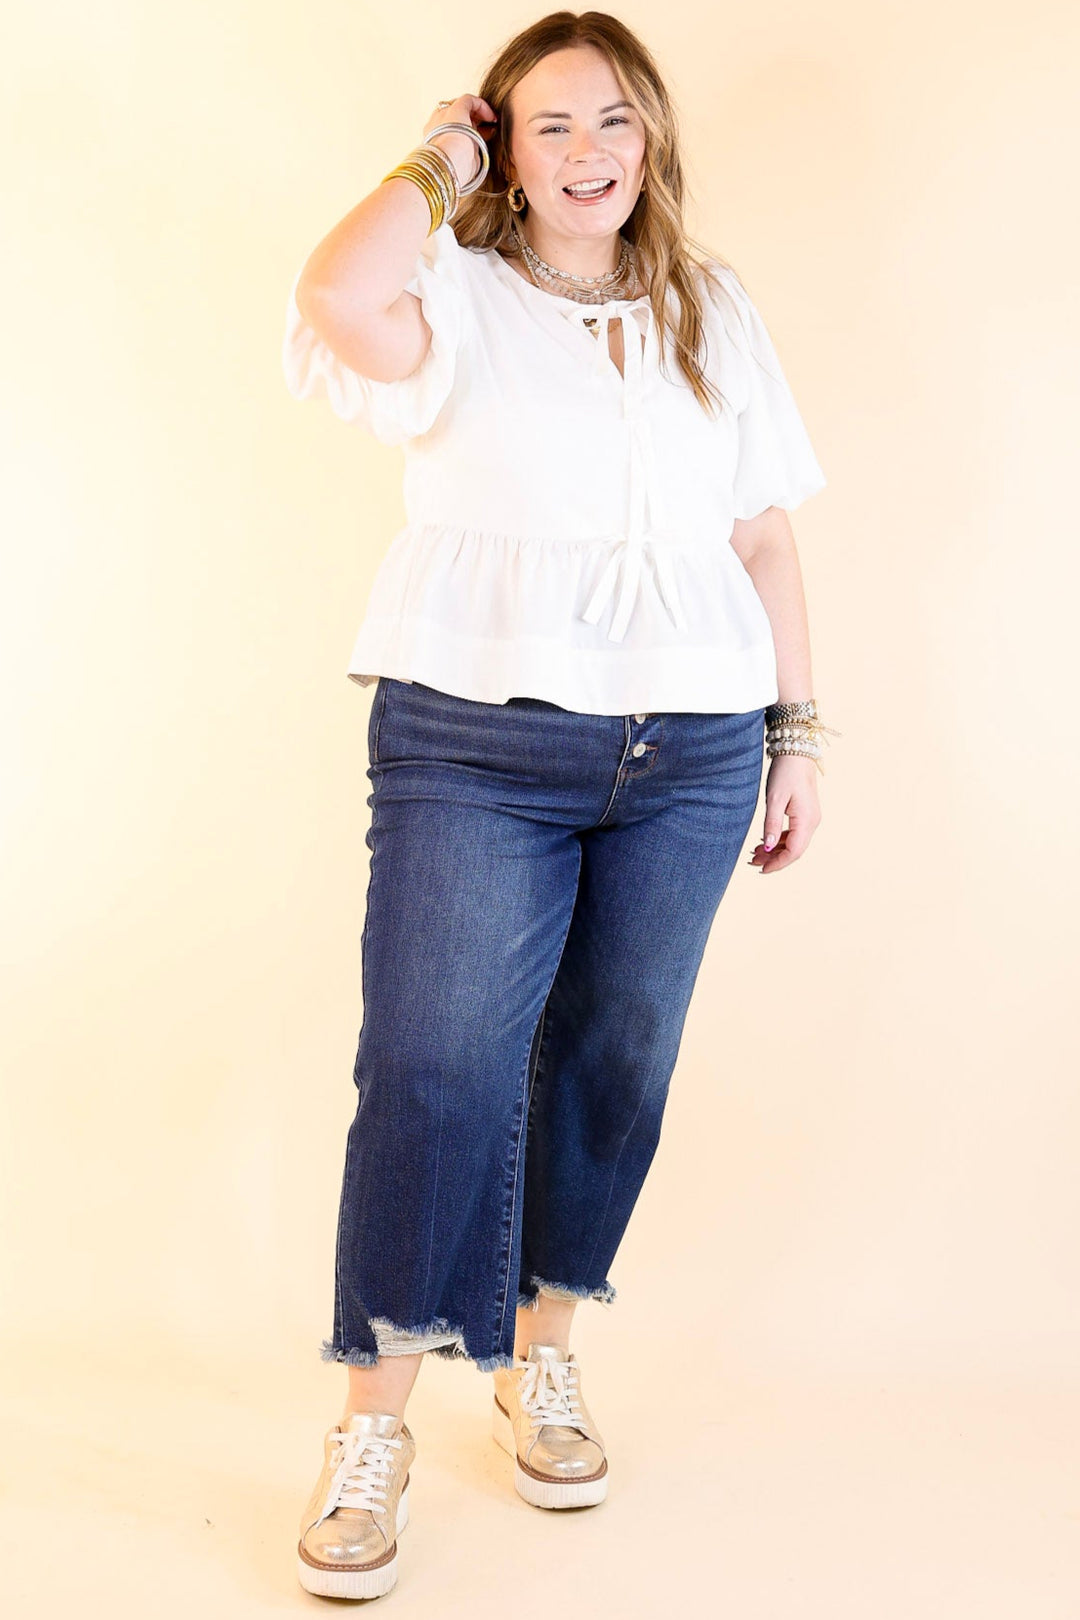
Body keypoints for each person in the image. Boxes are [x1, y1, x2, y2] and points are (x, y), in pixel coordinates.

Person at [282, 9, 837, 1603]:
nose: (586, 152)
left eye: (611, 122)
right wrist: (432, 158)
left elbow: (769, 540)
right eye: (546, 128)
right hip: (476, 737)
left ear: (648, 138)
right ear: (505, 153)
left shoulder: (711, 313)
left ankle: (541, 1357)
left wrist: (796, 732)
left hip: (692, 749)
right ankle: (372, 1422)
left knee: (613, 1058)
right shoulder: (448, 295)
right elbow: (333, 293)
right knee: (437, 1063)